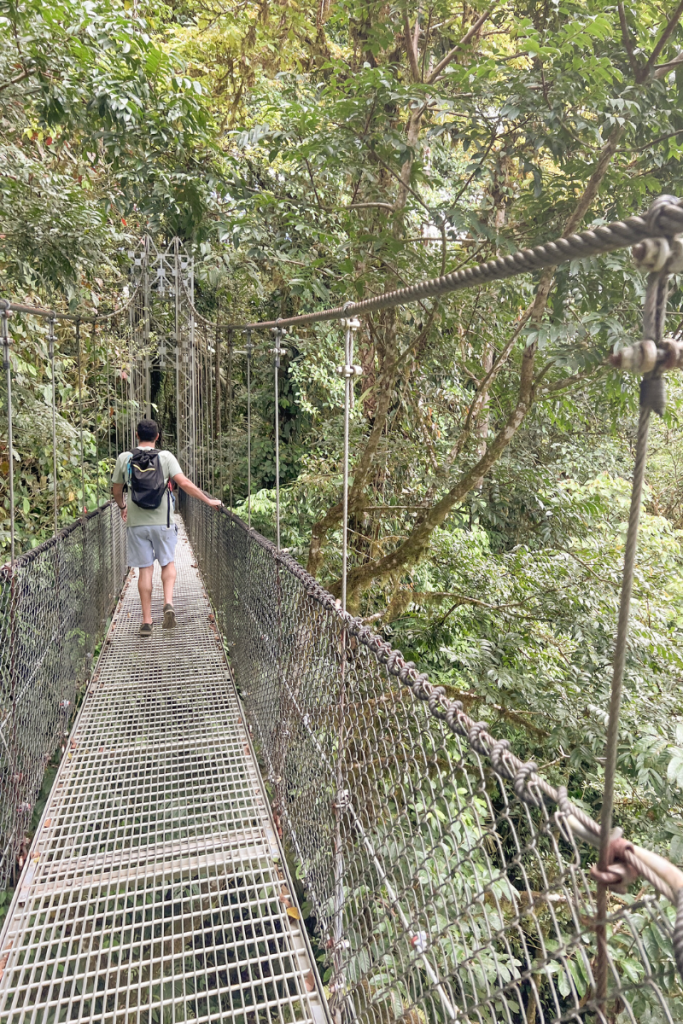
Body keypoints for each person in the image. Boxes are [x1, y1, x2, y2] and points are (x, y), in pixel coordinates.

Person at [111, 419, 221, 637]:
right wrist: (208, 501)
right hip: (164, 521)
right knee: (168, 562)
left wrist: (123, 506)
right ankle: (168, 603)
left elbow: (116, 490)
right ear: (157, 437)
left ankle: (146, 621)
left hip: (136, 523)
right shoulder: (165, 457)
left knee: (144, 569)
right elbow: (185, 484)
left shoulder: (124, 458)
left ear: (136, 435)